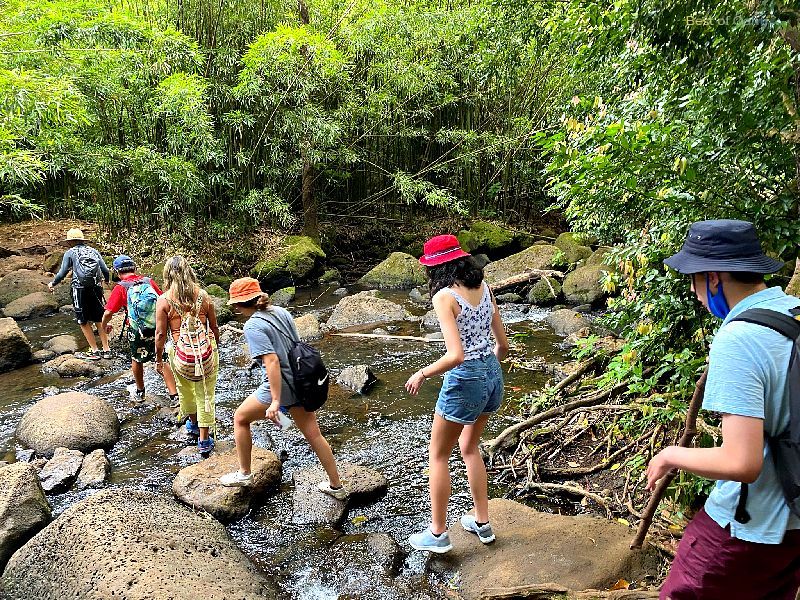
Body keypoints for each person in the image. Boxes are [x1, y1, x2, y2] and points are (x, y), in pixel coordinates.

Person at [646, 220, 800, 599]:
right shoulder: (794, 312)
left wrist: (670, 455)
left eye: (695, 281)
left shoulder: (739, 338)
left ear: (713, 278)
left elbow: (741, 463)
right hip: (794, 525)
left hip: (748, 527)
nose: (697, 294)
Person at [405, 234, 509, 553]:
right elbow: (502, 346)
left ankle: (437, 534)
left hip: (466, 378)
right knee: (470, 447)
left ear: (436, 268)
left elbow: (455, 356)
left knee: (437, 455)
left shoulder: (445, 297)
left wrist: (422, 373)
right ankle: (482, 522)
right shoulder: (484, 287)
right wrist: (488, 366)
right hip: (492, 374)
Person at [219, 277, 347, 498]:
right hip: (302, 381)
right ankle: (337, 486)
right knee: (314, 435)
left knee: (240, 418)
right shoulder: (280, 311)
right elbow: (295, 345)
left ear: (238, 305)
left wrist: (276, 401)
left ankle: (244, 473)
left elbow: (272, 362)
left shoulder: (252, 326)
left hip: (280, 386)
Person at [154, 256, 219, 455]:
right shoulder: (204, 296)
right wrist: (215, 345)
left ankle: (192, 423)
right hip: (206, 352)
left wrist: (158, 359)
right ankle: (205, 440)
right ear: (189, 272)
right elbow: (214, 326)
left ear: (167, 275)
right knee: (205, 393)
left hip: (180, 353)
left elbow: (160, 334)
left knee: (185, 389)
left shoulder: (164, 300)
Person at [100, 255, 178, 403]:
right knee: (163, 359)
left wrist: (104, 327)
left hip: (137, 330)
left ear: (117, 272)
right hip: (158, 327)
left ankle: (140, 391)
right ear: (134, 268)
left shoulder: (121, 287)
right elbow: (163, 300)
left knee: (137, 359)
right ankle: (174, 395)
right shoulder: (149, 282)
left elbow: (108, 312)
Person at [47, 227, 111, 360]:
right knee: (99, 318)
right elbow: (105, 269)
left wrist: (53, 283)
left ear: (70, 242)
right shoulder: (93, 251)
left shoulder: (70, 253)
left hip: (79, 288)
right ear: (82, 240)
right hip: (96, 287)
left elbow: (63, 272)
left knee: (83, 320)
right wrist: (107, 281)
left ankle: (94, 351)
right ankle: (106, 349)